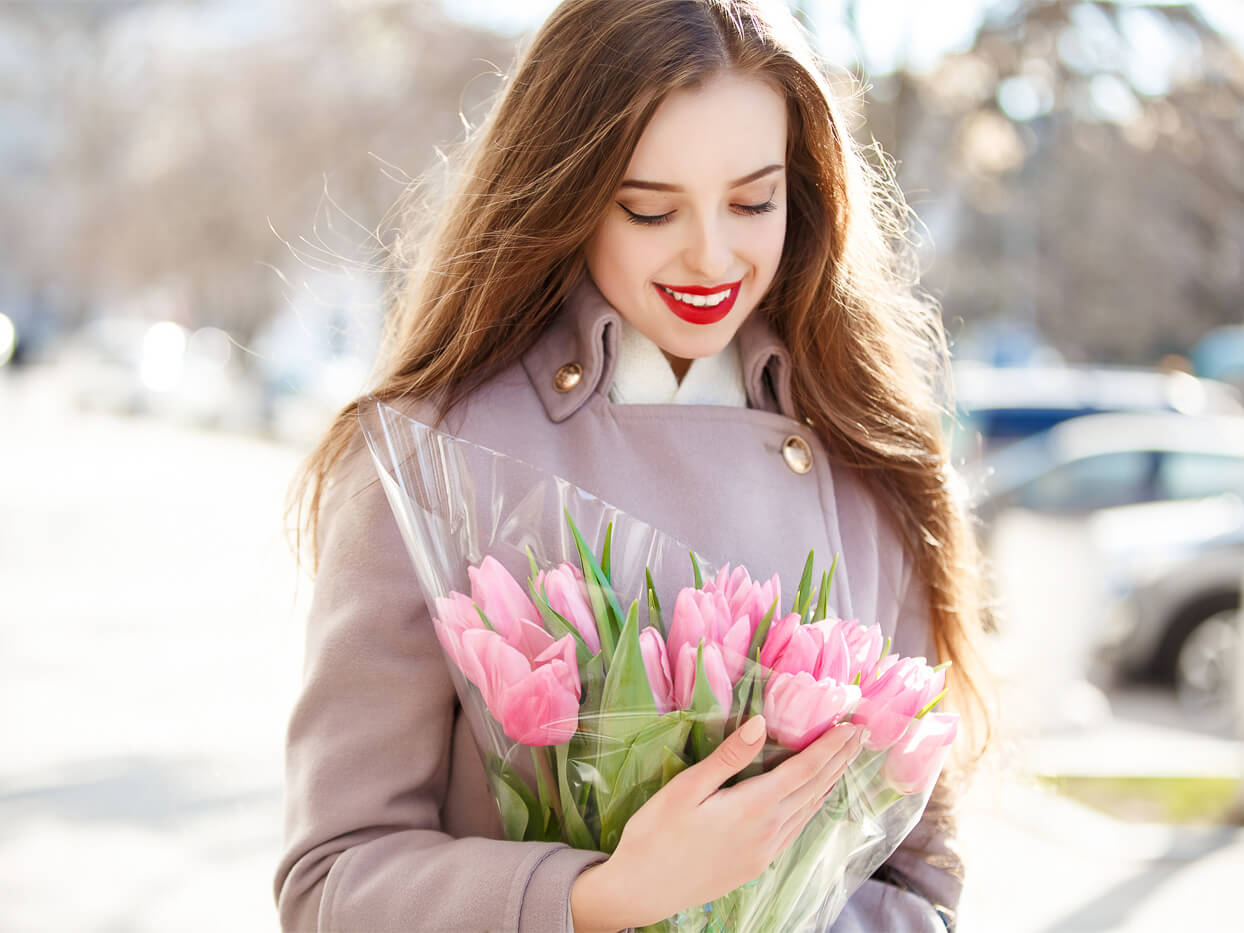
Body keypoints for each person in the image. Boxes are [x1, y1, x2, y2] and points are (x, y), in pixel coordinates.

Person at [274, 1, 991, 930]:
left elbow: (919, 877)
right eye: (649, 207)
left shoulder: (868, 451)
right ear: (566, 193)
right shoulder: (431, 457)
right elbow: (330, 882)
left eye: (752, 201)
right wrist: (602, 899)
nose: (710, 254)